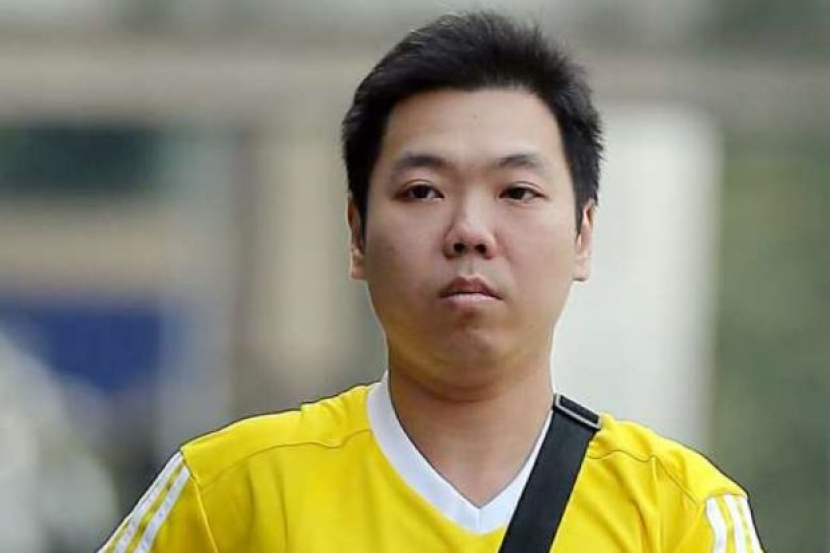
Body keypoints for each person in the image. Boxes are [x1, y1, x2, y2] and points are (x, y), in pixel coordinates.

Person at [99, 11, 764, 552]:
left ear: (583, 235)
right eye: (422, 190)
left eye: (517, 191)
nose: (469, 230)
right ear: (357, 234)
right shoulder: (228, 496)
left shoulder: (680, 516)